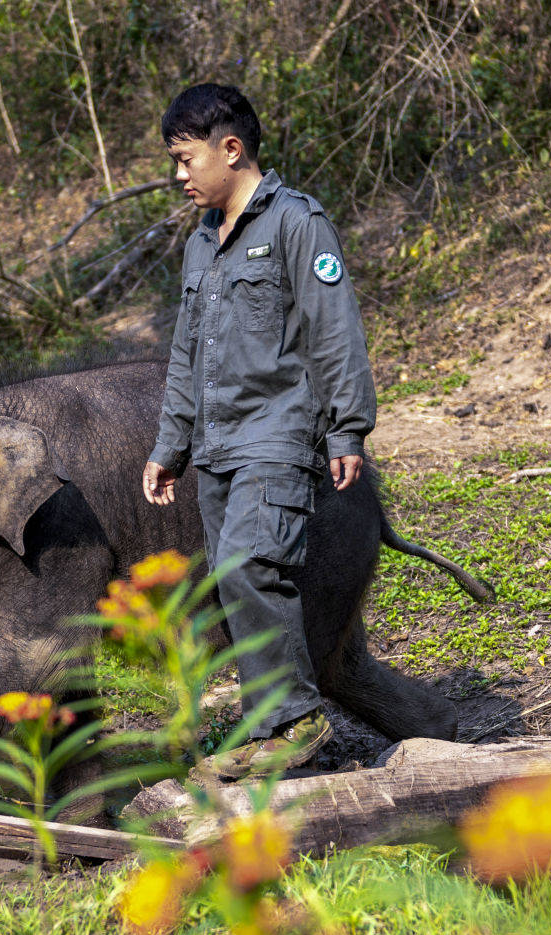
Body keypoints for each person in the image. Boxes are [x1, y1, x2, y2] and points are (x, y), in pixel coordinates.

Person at [142, 82, 376, 778]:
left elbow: (335, 334)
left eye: (186, 159)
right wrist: (169, 446)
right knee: (231, 581)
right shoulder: (199, 249)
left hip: (277, 437)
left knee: (251, 566)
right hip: (215, 448)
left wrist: (347, 429)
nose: (179, 176)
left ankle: (298, 718)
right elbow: (185, 357)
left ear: (231, 148)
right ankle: (267, 721)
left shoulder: (299, 226)